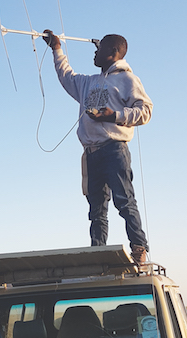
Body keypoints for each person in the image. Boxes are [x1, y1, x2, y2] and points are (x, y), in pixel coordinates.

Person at [43, 30, 153, 265]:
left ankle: (139, 248)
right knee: (96, 210)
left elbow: (146, 110)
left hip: (114, 149)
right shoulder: (89, 82)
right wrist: (56, 48)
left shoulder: (127, 79)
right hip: (91, 153)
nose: (95, 52)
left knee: (124, 201)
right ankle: (98, 254)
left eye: (100, 48)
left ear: (113, 53)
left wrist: (115, 115)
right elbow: (66, 75)